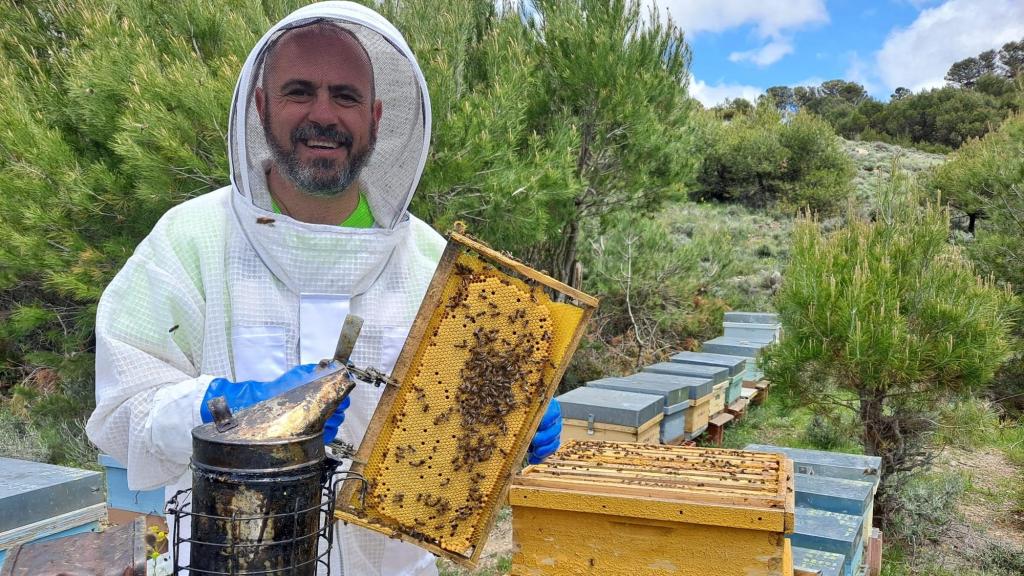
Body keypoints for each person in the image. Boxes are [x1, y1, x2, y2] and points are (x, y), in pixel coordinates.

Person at [85, 3, 560, 575]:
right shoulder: (189, 240)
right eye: (299, 92)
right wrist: (225, 409)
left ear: (375, 117)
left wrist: (511, 425)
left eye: (346, 96)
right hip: (229, 562)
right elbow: (122, 415)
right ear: (261, 106)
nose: (324, 114)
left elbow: (461, 442)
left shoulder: (432, 266)